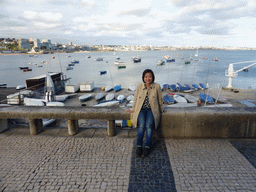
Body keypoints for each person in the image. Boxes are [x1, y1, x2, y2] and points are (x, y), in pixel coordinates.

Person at [126, 69, 164, 157]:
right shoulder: (139, 86)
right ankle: (139, 145)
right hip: (141, 109)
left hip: (152, 109)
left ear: (152, 77)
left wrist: (161, 110)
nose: (148, 78)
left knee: (149, 126)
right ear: (143, 78)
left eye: (150, 76)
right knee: (141, 125)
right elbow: (135, 99)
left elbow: (160, 100)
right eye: (146, 77)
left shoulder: (157, 86)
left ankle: (147, 146)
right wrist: (133, 109)